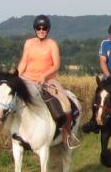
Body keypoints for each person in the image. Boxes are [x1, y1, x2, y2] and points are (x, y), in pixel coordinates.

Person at [15, 15, 79, 148]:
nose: (41, 30)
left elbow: (56, 65)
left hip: (48, 80)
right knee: (10, 100)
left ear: (48, 29)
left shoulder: (52, 44)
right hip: (27, 78)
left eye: (44, 28)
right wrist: (16, 75)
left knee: (66, 105)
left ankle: (67, 135)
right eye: (39, 28)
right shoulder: (29, 43)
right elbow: (24, 62)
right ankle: (14, 134)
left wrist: (44, 75)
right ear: (35, 29)